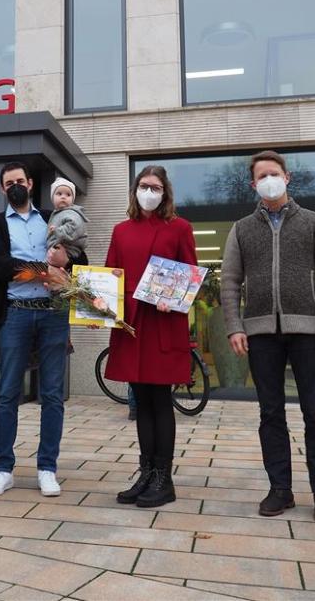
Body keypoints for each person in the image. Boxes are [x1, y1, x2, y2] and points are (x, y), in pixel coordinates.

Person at [221, 150, 315, 524]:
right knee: (270, 413)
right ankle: (280, 489)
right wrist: (235, 326)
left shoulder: (313, 222)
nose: (269, 180)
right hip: (261, 335)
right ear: (253, 184)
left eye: (274, 173)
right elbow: (230, 281)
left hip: (309, 332)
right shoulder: (241, 229)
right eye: (262, 176)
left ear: (287, 177)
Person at [0, 162, 85, 498]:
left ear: (31, 183)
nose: (15, 186)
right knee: (8, 393)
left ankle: (47, 468)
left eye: (20, 181)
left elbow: (80, 259)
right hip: (15, 315)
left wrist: (66, 262)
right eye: (9, 183)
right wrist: (44, 271)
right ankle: (3, 469)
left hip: (53, 314)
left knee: (52, 394)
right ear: (2, 189)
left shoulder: (54, 218)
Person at [105, 165, 197, 508]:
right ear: (135, 190)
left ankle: (163, 478)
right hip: (131, 324)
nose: (149, 191)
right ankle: (145, 473)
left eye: (155, 187)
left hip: (162, 323)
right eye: (143, 185)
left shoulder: (180, 228)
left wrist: (172, 297)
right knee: (140, 400)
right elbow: (109, 275)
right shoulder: (121, 230)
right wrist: (94, 308)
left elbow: (190, 275)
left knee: (160, 400)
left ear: (165, 192)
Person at [46, 177, 88, 260]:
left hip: (69, 251)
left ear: (73, 199)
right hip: (58, 251)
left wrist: (57, 231)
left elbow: (74, 227)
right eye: (59, 194)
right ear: (52, 197)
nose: (63, 197)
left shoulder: (72, 213)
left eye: (68, 195)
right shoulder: (58, 213)